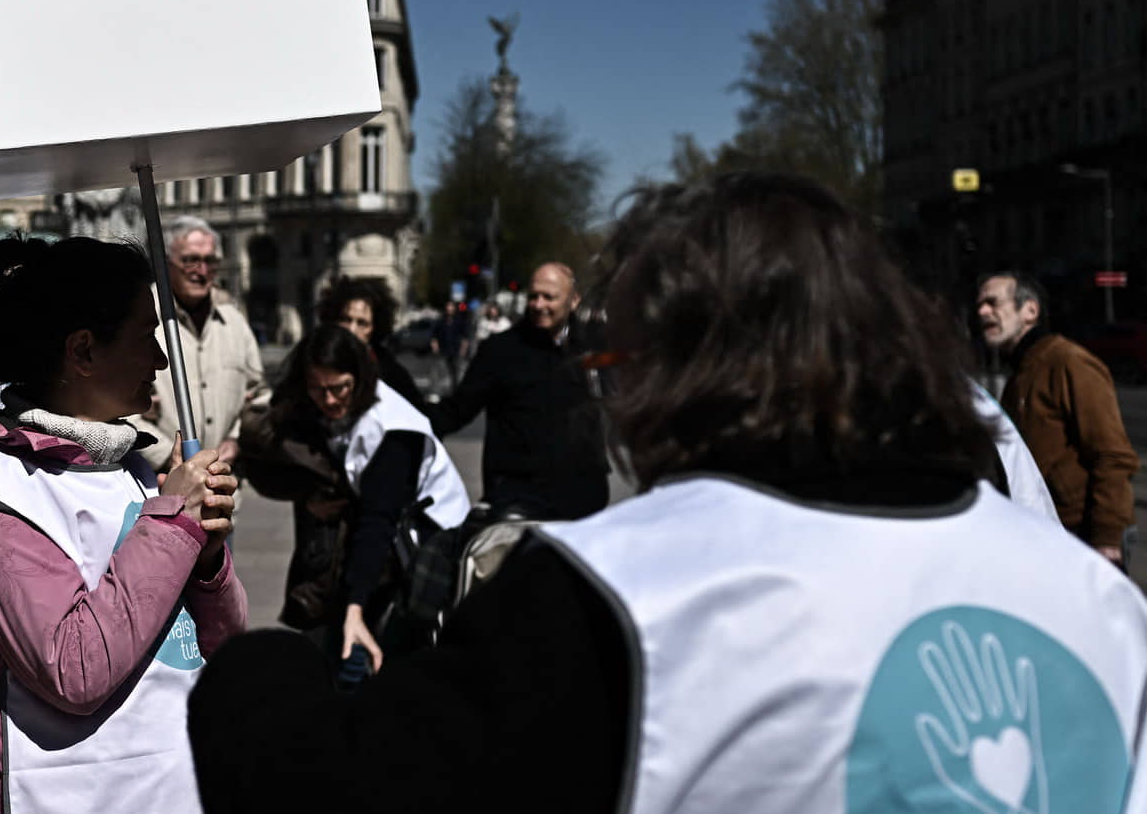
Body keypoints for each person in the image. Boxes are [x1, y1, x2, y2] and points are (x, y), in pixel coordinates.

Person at [190, 173, 1147, 812]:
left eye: (616, 361)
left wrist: (250, 667)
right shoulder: (1099, 604)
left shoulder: (629, 588)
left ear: (678, 370)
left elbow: (329, 783)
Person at [0, 236, 247, 814]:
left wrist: (206, 559)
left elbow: (220, 650)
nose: (160, 359)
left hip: (167, 789)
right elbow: (74, 669)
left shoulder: (130, 465)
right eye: (144, 336)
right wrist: (173, 524)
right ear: (82, 351)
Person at [237, 326, 469, 672]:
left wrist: (356, 606)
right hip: (378, 543)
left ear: (359, 377)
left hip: (430, 546)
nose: (329, 400)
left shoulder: (391, 430)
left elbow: (378, 523)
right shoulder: (322, 407)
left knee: (393, 651)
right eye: (318, 389)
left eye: (339, 388)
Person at [978, 271, 1139, 564]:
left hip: (1087, 537)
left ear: (1030, 310)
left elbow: (1112, 455)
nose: (982, 312)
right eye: (980, 305)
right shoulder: (1021, 375)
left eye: (993, 302)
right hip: (1050, 534)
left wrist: (1107, 538)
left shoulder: (1067, 361)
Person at [424, 261, 608, 519]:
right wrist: (408, 421)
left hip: (585, 496)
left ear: (573, 300)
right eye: (533, 296)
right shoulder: (500, 351)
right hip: (520, 499)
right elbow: (457, 411)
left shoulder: (593, 347)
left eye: (549, 297)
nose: (538, 305)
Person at [136, 215, 268, 469]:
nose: (202, 271)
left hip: (223, 488)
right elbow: (117, 409)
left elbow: (260, 396)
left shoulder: (234, 322)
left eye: (210, 261)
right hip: (160, 486)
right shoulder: (139, 317)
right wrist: (173, 460)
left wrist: (237, 438)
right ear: (166, 263)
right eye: (190, 260)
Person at [314, 276, 427, 411]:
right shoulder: (314, 360)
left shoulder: (390, 372)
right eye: (346, 319)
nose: (352, 330)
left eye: (362, 323)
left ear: (374, 327)